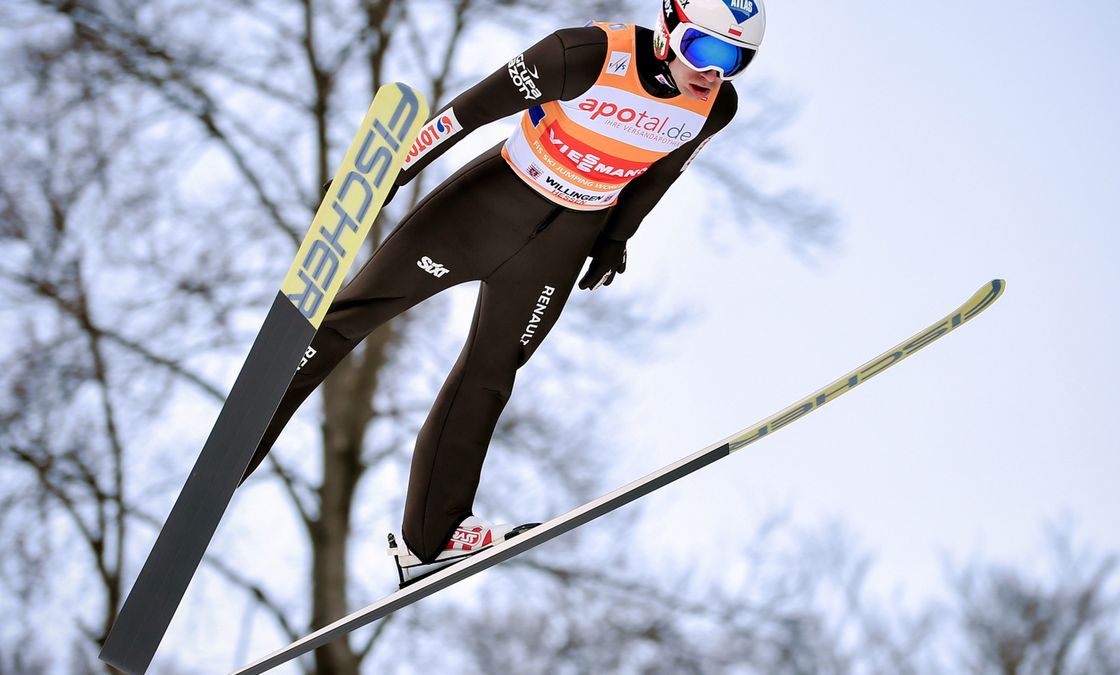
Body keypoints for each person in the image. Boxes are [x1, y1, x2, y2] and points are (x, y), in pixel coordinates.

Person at [242, 0, 768, 573]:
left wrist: (615, 240)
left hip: (561, 245)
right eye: (707, 49)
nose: (715, 71)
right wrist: (388, 174)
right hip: (487, 207)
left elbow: (661, 173)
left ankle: (431, 538)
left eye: (736, 59)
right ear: (671, 26)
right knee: (352, 315)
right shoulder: (584, 55)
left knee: (490, 377)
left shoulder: (716, 107)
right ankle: (241, 442)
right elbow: (466, 113)